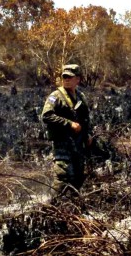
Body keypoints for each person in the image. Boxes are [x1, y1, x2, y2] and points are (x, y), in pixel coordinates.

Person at [41, 64, 93, 197]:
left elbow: (85, 118)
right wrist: (69, 124)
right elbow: (46, 115)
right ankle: (54, 207)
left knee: (78, 177)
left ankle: (73, 207)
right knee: (62, 178)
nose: (66, 79)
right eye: (64, 77)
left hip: (78, 144)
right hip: (62, 144)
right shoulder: (55, 96)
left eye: (70, 77)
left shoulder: (81, 96)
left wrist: (88, 135)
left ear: (78, 79)